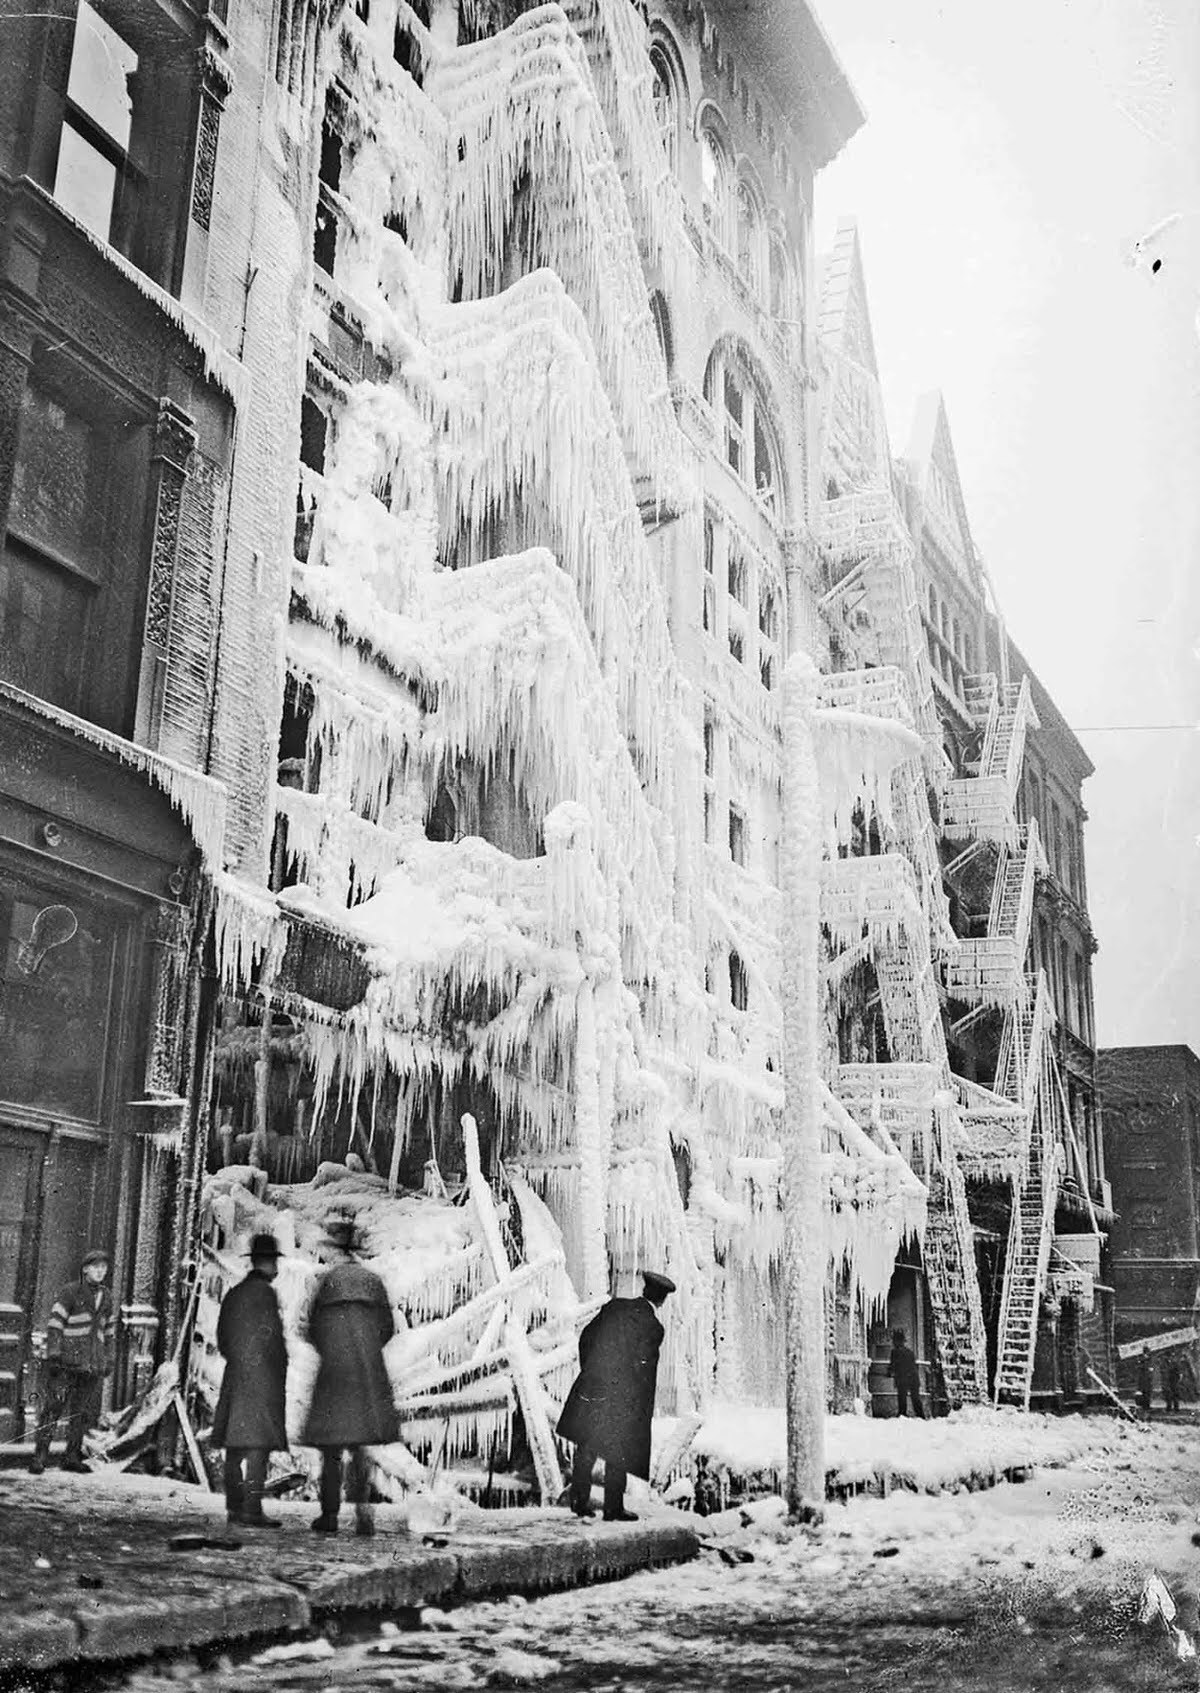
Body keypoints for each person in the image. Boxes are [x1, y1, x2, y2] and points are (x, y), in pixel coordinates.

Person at [301, 1216, 397, 1536]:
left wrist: (333, 1352)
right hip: (366, 1375)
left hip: (334, 1374)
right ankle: (363, 1516)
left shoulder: (327, 1283)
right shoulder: (373, 1282)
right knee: (359, 1449)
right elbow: (387, 1328)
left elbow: (312, 1328)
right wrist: (367, 1352)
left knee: (330, 1451)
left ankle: (329, 1516)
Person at [557, 1270, 675, 1523]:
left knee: (587, 1445)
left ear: (644, 1291)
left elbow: (586, 1338)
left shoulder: (614, 1307)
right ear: (662, 1301)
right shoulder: (653, 1327)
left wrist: (590, 1372)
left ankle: (579, 1502)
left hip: (593, 1387)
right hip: (623, 1398)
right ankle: (613, 1509)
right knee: (617, 1453)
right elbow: (645, 1372)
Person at [211, 1232, 288, 1529]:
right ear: (266, 1264)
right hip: (263, 1379)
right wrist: (276, 1369)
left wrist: (239, 1362)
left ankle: (233, 1507)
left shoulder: (234, 1293)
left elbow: (223, 1340)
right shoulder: (265, 1294)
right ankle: (252, 1510)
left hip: (236, 1377)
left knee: (235, 1446)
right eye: (274, 1263)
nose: (277, 1270)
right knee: (259, 1446)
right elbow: (273, 1341)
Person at [31, 1247, 114, 1474]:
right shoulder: (70, 1291)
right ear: (85, 1269)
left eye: (103, 1268)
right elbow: (55, 1323)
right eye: (96, 1267)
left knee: (81, 1413)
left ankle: (71, 1457)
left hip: (91, 1362)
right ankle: (39, 1457)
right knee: (53, 1408)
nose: (100, 1271)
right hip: (67, 1361)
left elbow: (109, 1331)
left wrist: (108, 1359)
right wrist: (55, 1352)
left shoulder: (106, 1296)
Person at [889, 1328, 925, 1418]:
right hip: (913, 1378)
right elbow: (913, 1365)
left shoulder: (895, 1352)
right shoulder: (910, 1352)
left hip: (903, 1378)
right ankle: (921, 1416)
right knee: (915, 1399)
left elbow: (893, 1366)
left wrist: (890, 1372)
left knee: (902, 1398)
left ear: (896, 1341)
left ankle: (902, 1415)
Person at [1138, 1344, 1153, 1414]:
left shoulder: (1149, 1359)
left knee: (1148, 1393)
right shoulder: (1142, 1360)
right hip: (1144, 1379)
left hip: (1148, 1379)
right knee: (1145, 1393)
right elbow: (1141, 1368)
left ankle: (1147, 1405)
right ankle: (1145, 1406)